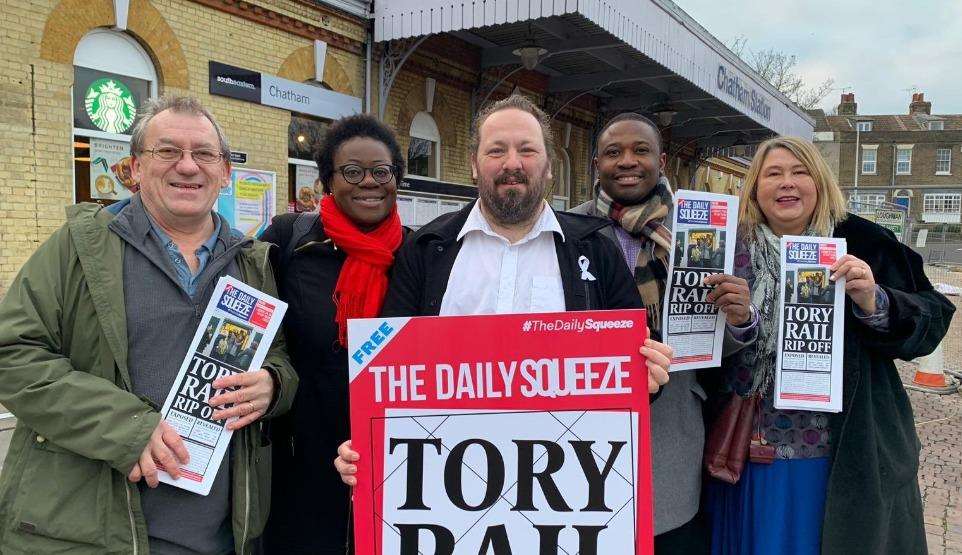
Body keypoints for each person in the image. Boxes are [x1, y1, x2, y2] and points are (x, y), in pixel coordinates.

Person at [0, 96, 298, 554]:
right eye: (167, 151)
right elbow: (13, 353)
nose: (187, 166)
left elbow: (276, 354)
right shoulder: (79, 248)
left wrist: (273, 385)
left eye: (203, 153)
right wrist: (127, 427)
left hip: (220, 536)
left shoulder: (251, 263)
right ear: (135, 168)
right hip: (90, 534)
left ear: (224, 173)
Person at [333, 95, 673, 494]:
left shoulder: (597, 251)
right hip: (446, 487)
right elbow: (386, 373)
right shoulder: (427, 250)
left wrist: (650, 377)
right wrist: (366, 445)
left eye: (527, 150)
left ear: (548, 167)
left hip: (564, 490)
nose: (513, 163)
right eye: (497, 150)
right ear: (475, 164)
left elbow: (637, 368)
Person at [704, 136, 954, 555]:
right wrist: (740, 323)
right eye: (774, 174)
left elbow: (932, 318)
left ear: (819, 182)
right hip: (745, 452)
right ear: (754, 187)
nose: (787, 184)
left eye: (799, 172)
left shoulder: (862, 241)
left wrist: (875, 302)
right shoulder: (727, 247)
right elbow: (694, 345)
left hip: (839, 454)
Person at [570, 112, 757, 553]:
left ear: (663, 160)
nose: (627, 161)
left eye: (641, 150)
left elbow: (714, 342)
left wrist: (739, 318)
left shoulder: (699, 230)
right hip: (585, 415)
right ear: (596, 163)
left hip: (671, 421)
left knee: (666, 531)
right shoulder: (566, 227)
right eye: (613, 152)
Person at [261, 114, 406, 554]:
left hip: (390, 455)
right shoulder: (288, 241)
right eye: (352, 171)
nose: (369, 182)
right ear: (328, 181)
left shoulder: (419, 252)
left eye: (382, 171)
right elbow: (259, 335)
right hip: (302, 452)